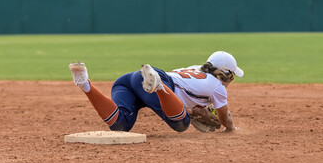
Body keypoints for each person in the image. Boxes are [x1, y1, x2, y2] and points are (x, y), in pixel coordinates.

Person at [69, 51, 243, 133]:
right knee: (181, 124)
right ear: (226, 74)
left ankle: (84, 82)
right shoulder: (218, 87)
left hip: (129, 82)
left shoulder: (197, 69)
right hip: (158, 82)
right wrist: (231, 129)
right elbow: (225, 118)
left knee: (120, 125)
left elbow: (189, 97)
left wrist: (196, 112)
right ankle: (158, 86)